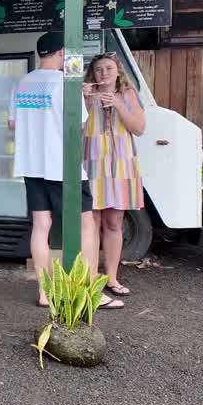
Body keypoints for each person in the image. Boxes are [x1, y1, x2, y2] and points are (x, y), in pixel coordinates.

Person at [9, 31, 123, 309]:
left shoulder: (22, 83)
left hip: (32, 165)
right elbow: (80, 125)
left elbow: (12, 125)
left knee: (41, 226)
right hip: (63, 166)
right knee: (86, 225)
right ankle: (89, 292)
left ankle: (45, 293)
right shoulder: (65, 83)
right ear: (61, 53)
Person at [83, 52, 147, 297]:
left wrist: (119, 105)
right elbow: (73, 127)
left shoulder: (128, 95)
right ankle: (89, 279)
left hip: (121, 165)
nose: (104, 73)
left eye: (109, 68)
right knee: (92, 223)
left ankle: (111, 277)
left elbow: (139, 129)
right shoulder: (85, 95)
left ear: (118, 71)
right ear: (93, 73)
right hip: (92, 164)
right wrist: (86, 101)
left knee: (114, 223)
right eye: (99, 69)